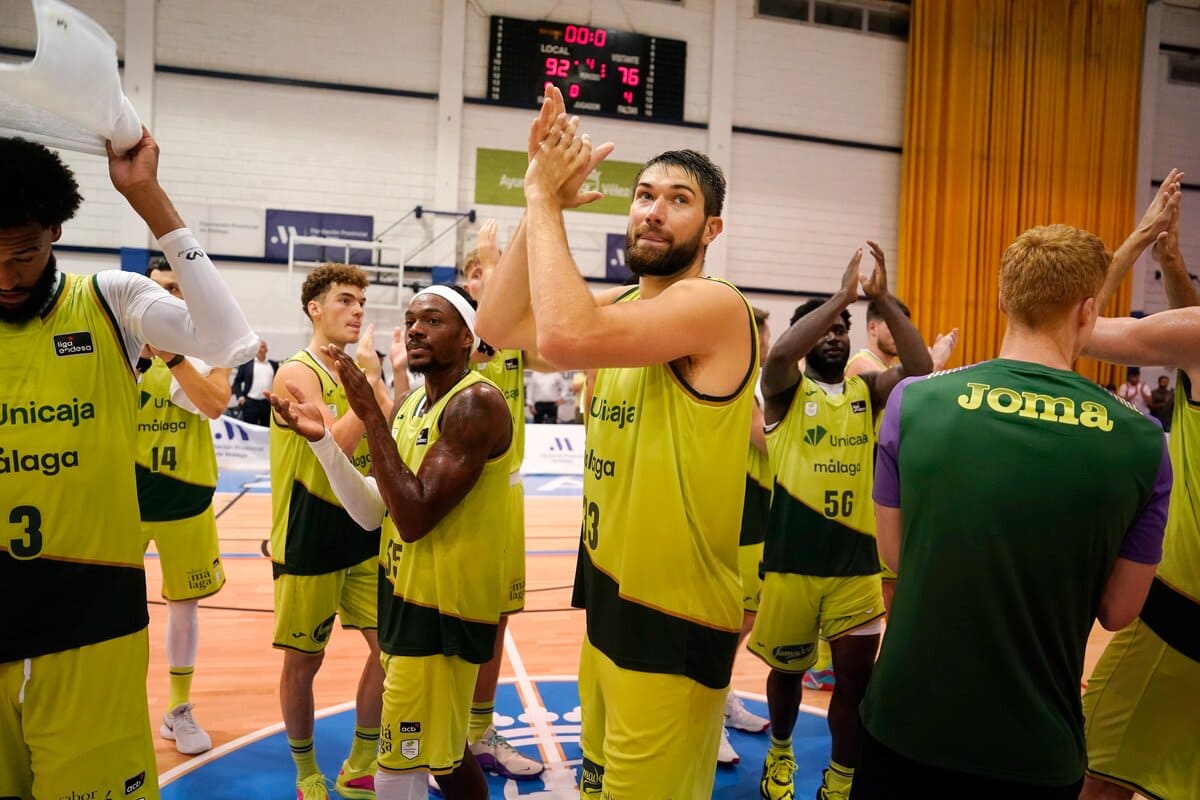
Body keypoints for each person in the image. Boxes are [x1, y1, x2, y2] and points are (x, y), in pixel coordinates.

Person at [475, 87, 757, 799]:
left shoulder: (715, 307)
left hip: (672, 619)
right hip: (608, 601)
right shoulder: (627, 307)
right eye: (643, 193)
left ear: (712, 227)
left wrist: (542, 200)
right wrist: (541, 199)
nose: (653, 209)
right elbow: (501, 327)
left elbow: (567, 337)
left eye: (679, 199)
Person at [853, 195, 1181, 799]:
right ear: (1088, 312)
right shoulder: (1140, 440)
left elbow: (896, 554)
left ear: (1003, 300)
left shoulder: (915, 402)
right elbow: (1118, 611)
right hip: (1035, 747)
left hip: (905, 728)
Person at [0, 131, 256, 799]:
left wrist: (149, 199)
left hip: (91, 625)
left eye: (23, 254)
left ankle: (180, 702)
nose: (5, 276)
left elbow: (229, 340)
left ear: (55, 231)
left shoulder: (110, 300)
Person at [270, 285, 513, 800]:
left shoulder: (475, 403)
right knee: (445, 759)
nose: (417, 329)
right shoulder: (409, 407)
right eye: (411, 320)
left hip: (444, 611)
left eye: (433, 320)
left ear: (467, 336)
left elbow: (416, 514)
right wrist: (321, 442)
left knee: (395, 769)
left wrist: (370, 414)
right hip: (405, 596)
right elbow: (372, 510)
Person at [751, 243, 933, 800]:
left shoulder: (866, 392)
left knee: (855, 681)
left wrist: (880, 299)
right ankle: (780, 755)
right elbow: (779, 354)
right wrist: (838, 298)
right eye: (825, 326)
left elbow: (922, 370)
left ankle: (840, 779)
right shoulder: (783, 389)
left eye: (844, 326)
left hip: (855, 566)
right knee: (786, 674)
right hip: (791, 564)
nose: (836, 334)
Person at [1078, 170, 1198, 800]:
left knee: (1098, 778)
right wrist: (1173, 263)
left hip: (1180, 613)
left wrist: (1137, 241)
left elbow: (1070, 326)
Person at [269, 263, 394, 799]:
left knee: (390, 652)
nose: (357, 310)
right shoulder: (295, 374)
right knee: (304, 662)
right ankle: (305, 772)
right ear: (315, 309)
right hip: (309, 533)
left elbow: (386, 423)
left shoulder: (359, 367)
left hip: (364, 529)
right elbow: (332, 450)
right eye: (345, 300)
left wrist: (373, 386)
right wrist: (366, 387)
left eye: (361, 302)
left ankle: (361, 761)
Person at [137, 257, 233, 755]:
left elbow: (215, 402)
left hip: (186, 496)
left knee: (184, 607)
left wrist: (172, 356)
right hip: (123, 496)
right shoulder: (120, 346)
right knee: (113, 603)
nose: (166, 298)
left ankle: (178, 708)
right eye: (156, 290)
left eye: (176, 288)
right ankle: (121, 703)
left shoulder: (213, 344)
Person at [720, 306, 774, 767]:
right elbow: (766, 440)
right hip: (733, 517)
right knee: (728, 621)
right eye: (764, 339)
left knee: (746, 618)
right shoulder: (738, 385)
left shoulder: (760, 384)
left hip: (758, 516)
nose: (770, 348)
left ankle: (723, 697)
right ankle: (707, 714)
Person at [234, 338, 278, 425]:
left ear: (266, 349)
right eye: (257, 347)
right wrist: (240, 397)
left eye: (262, 346)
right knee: (249, 429)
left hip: (267, 404)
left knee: (266, 429)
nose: (259, 349)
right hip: (250, 403)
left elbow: (277, 382)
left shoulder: (273, 365)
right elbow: (237, 382)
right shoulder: (247, 364)